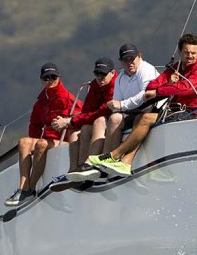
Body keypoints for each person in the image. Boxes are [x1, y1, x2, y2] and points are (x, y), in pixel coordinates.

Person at [87, 33, 197, 177]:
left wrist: (158, 91)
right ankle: (126, 163)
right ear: (180, 52)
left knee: (146, 118)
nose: (190, 56)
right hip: (175, 111)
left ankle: (114, 155)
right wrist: (165, 84)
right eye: (186, 52)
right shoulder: (176, 68)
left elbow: (186, 87)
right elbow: (152, 85)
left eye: (193, 53)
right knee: (141, 118)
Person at [67, 44, 158, 183]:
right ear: (120, 61)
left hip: (150, 110)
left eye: (132, 58)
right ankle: (100, 165)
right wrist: (119, 106)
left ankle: (101, 164)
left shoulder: (146, 70)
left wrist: (121, 105)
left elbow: (145, 96)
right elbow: (115, 105)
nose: (129, 62)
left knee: (106, 119)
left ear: (140, 57)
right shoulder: (121, 77)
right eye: (125, 60)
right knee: (107, 120)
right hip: (132, 112)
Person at [5, 62, 77, 207]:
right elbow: (35, 126)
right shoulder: (41, 102)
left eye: (53, 77)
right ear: (41, 80)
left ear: (58, 77)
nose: (50, 80)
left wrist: (67, 123)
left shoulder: (68, 98)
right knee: (24, 142)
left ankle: (30, 189)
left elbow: (79, 118)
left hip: (63, 140)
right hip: (46, 140)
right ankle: (23, 188)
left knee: (42, 143)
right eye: (46, 78)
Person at [51, 57, 117, 174]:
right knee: (78, 129)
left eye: (103, 74)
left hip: (112, 119)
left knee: (97, 120)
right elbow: (87, 111)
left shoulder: (116, 85)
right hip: (99, 120)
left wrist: (69, 121)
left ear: (112, 73)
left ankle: (90, 163)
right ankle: (75, 169)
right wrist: (70, 122)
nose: (99, 77)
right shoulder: (94, 85)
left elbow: (103, 111)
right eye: (97, 73)